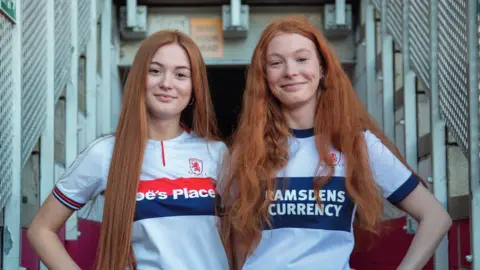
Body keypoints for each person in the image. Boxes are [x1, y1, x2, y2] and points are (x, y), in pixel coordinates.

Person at [219, 16, 452, 270]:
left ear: (322, 68)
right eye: (276, 63)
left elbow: (436, 218)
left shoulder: (357, 145)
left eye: (301, 59)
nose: (290, 71)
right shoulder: (247, 152)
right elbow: (239, 242)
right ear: (265, 76)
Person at [27, 30, 229, 270]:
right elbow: (40, 229)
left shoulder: (216, 154)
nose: (166, 83)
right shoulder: (106, 153)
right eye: (155, 71)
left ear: (194, 87)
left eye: (181, 75)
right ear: (138, 79)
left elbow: (240, 238)